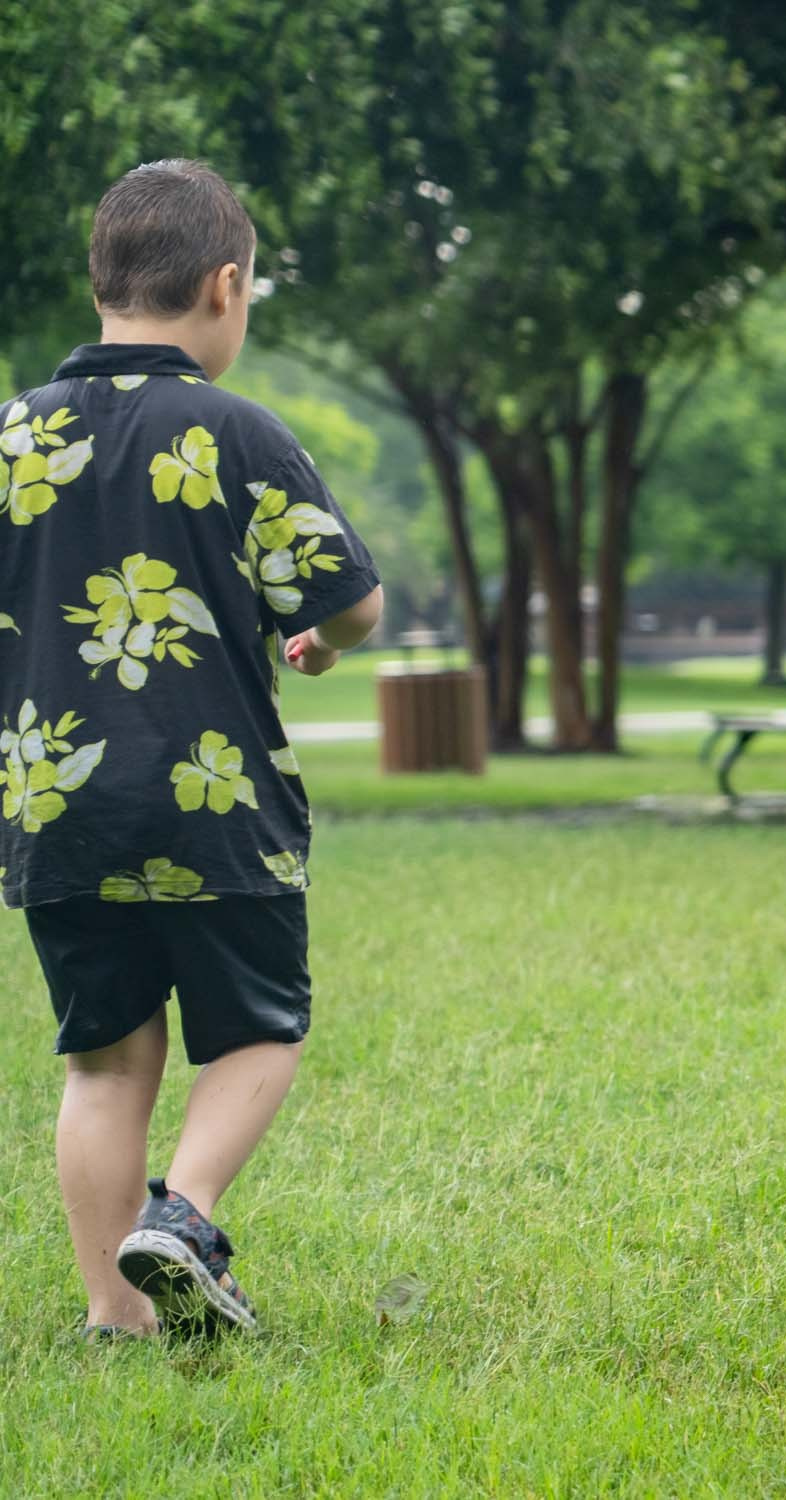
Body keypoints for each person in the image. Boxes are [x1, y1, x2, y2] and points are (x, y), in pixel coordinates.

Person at [0, 159, 383, 1339]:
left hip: (56, 796)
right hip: (211, 797)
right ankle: (186, 1213)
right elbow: (351, 600)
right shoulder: (236, 431)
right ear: (225, 286)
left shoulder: (13, 436)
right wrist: (321, 640)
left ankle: (117, 1318)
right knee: (262, 1027)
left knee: (104, 1064)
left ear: (101, 280)